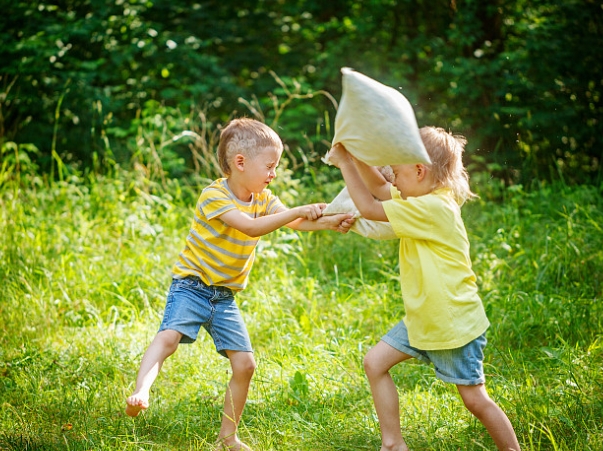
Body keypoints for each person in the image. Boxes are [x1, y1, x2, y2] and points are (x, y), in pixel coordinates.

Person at [125, 118, 355, 451]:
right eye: (270, 166)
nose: (273, 173)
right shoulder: (214, 195)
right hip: (191, 286)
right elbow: (250, 227)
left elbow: (299, 223)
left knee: (245, 364)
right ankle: (141, 391)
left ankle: (227, 437)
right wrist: (299, 210)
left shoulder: (264, 198)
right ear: (240, 163)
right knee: (169, 337)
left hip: (224, 297)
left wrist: (334, 222)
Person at [327, 127, 521, 451]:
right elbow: (376, 186)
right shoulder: (422, 196)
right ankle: (393, 444)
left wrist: (346, 163)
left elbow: (372, 206)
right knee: (374, 363)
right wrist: (357, 154)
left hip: (452, 323)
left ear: (419, 171)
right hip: (423, 318)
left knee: (475, 399)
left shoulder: (432, 208)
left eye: (398, 172)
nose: (393, 180)